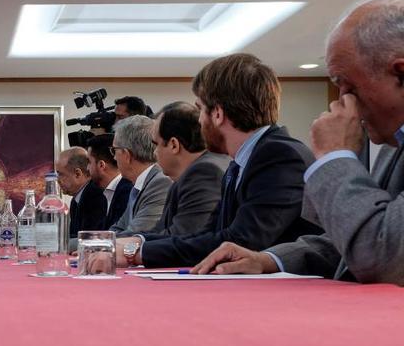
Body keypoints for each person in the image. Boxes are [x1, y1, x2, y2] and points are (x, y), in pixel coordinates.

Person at [193, 0, 404, 284]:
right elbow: (347, 240)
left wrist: (336, 158)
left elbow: (381, 255)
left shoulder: (289, 152)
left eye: (347, 85)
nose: (343, 101)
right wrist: (268, 259)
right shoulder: (391, 144)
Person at [105, 53, 321, 270]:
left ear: (217, 113)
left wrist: (136, 253)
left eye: (200, 109)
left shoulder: (278, 155)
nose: (198, 120)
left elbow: (240, 242)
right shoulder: (244, 160)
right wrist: (138, 243)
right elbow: (210, 234)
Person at [148, 102, 228, 236]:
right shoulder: (198, 170)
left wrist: (126, 248)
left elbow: (183, 238)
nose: (155, 152)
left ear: (174, 145)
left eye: (156, 144)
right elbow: (159, 232)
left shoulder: (204, 173)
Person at [109, 116, 173, 234]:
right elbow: (117, 229)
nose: (114, 157)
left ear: (127, 154)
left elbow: (135, 235)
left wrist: (91, 245)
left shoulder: (160, 183)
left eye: (114, 150)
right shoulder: (139, 184)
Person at [56, 147, 107, 238]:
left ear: (77, 174)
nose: (57, 180)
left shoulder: (95, 197)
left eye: (60, 174)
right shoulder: (76, 200)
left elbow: (89, 239)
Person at [86, 134, 133, 228]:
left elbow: (117, 234)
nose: (87, 168)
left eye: (89, 162)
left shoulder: (127, 191)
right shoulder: (106, 192)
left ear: (101, 165)